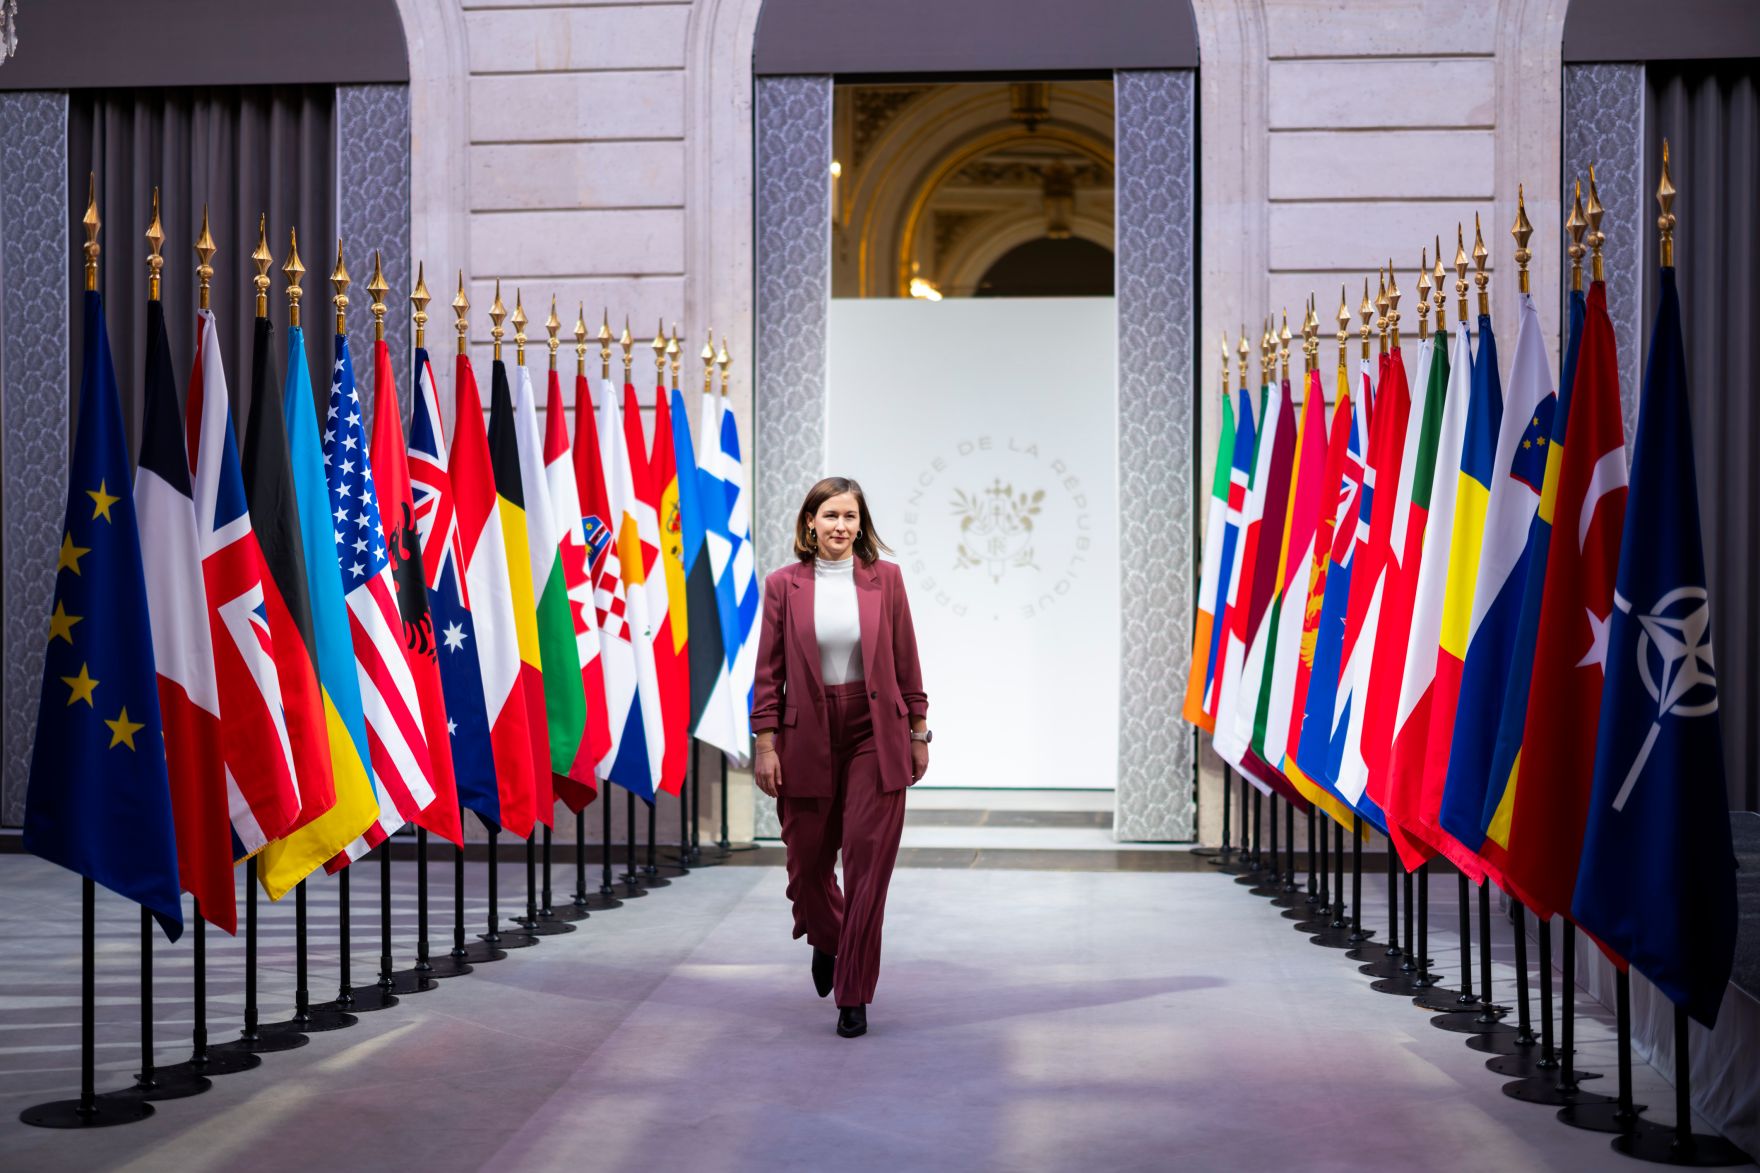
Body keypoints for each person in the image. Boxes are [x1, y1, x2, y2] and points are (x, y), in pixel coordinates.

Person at [750, 476, 931, 1038]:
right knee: (807, 867)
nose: (841, 526)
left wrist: (919, 731)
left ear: (861, 524)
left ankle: (854, 994)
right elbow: (768, 672)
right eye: (831, 515)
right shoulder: (782, 586)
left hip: (875, 731)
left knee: (866, 865)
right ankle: (828, 938)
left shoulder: (886, 580)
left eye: (850, 516)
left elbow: (906, 659)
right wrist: (765, 743)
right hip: (805, 733)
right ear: (811, 521)